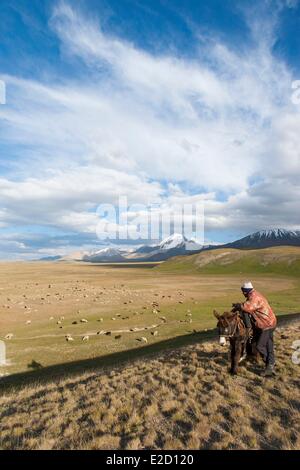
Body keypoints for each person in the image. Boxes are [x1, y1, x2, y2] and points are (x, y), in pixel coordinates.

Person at [240, 281, 277, 376]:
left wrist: (239, 306)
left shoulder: (254, 297)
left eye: (243, 291)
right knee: (269, 345)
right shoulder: (255, 294)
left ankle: (269, 365)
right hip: (271, 322)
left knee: (259, 346)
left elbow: (247, 307)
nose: (243, 293)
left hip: (266, 325)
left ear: (246, 291)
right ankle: (271, 363)